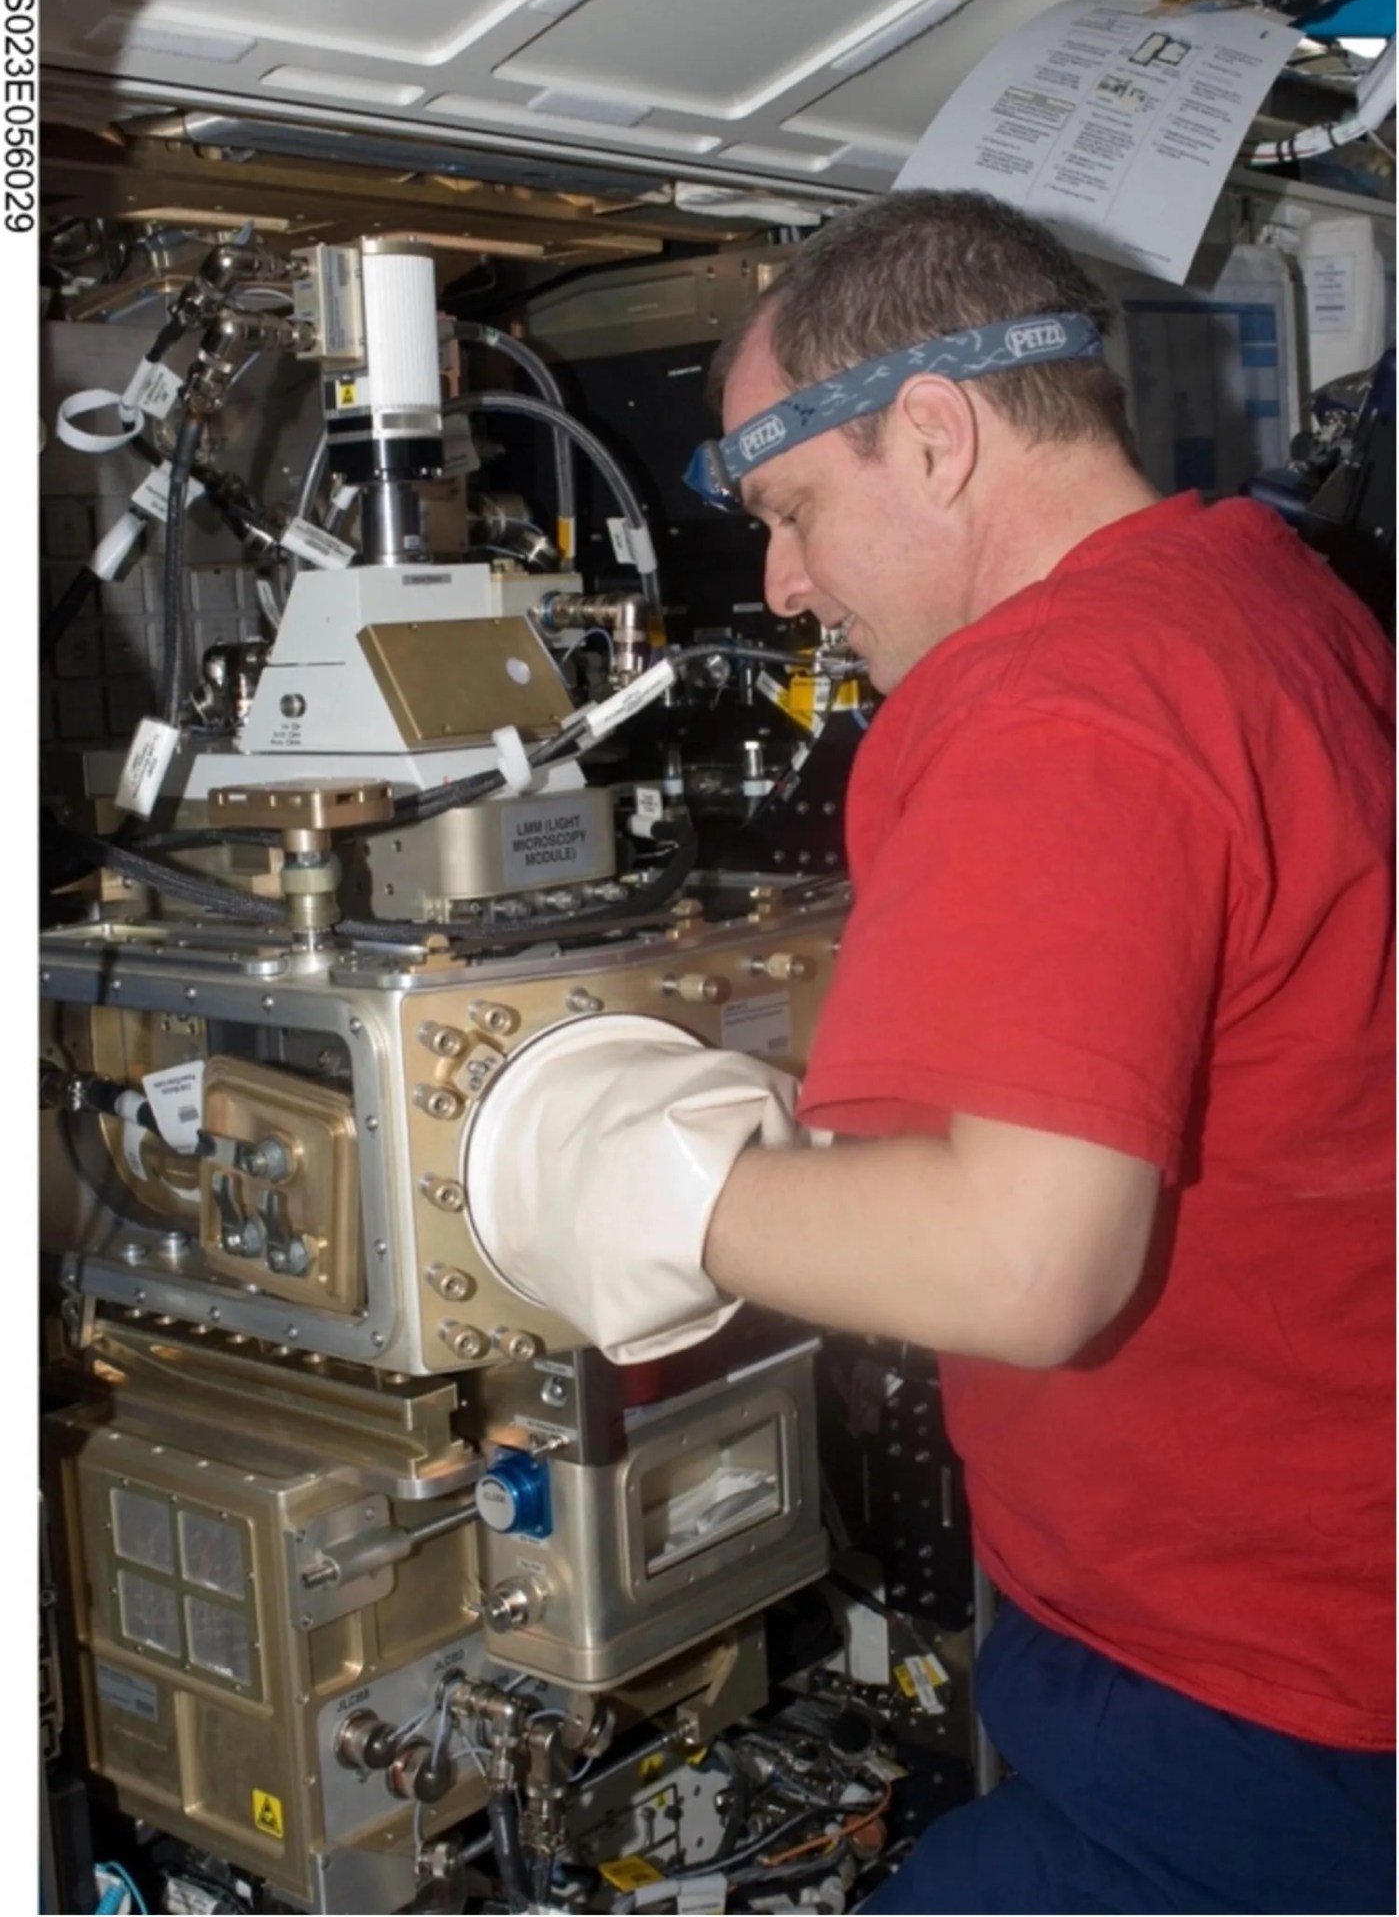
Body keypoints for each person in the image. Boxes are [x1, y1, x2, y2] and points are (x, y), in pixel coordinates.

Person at [479, 189, 1395, 1913]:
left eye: (796, 509)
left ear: (934, 433)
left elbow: (1022, 1261)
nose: (785, 583)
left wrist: (640, 1186)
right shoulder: (1270, 596)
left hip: (1240, 1689)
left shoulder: (1050, 691)